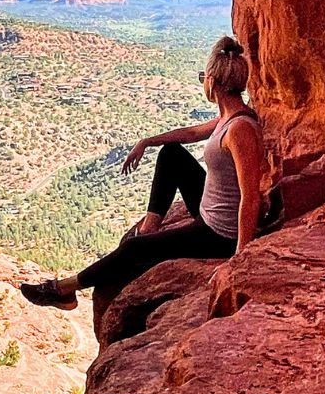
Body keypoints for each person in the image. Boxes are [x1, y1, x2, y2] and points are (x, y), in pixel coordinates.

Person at [19, 36, 264, 310]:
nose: (202, 82)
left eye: (203, 77)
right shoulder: (228, 118)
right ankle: (151, 225)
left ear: (214, 83)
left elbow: (250, 195)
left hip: (218, 234)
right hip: (211, 210)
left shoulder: (240, 129)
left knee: (135, 250)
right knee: (171, 153)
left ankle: (63, 290)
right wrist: (147, 141)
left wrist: (239, 257)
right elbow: (193, 133)